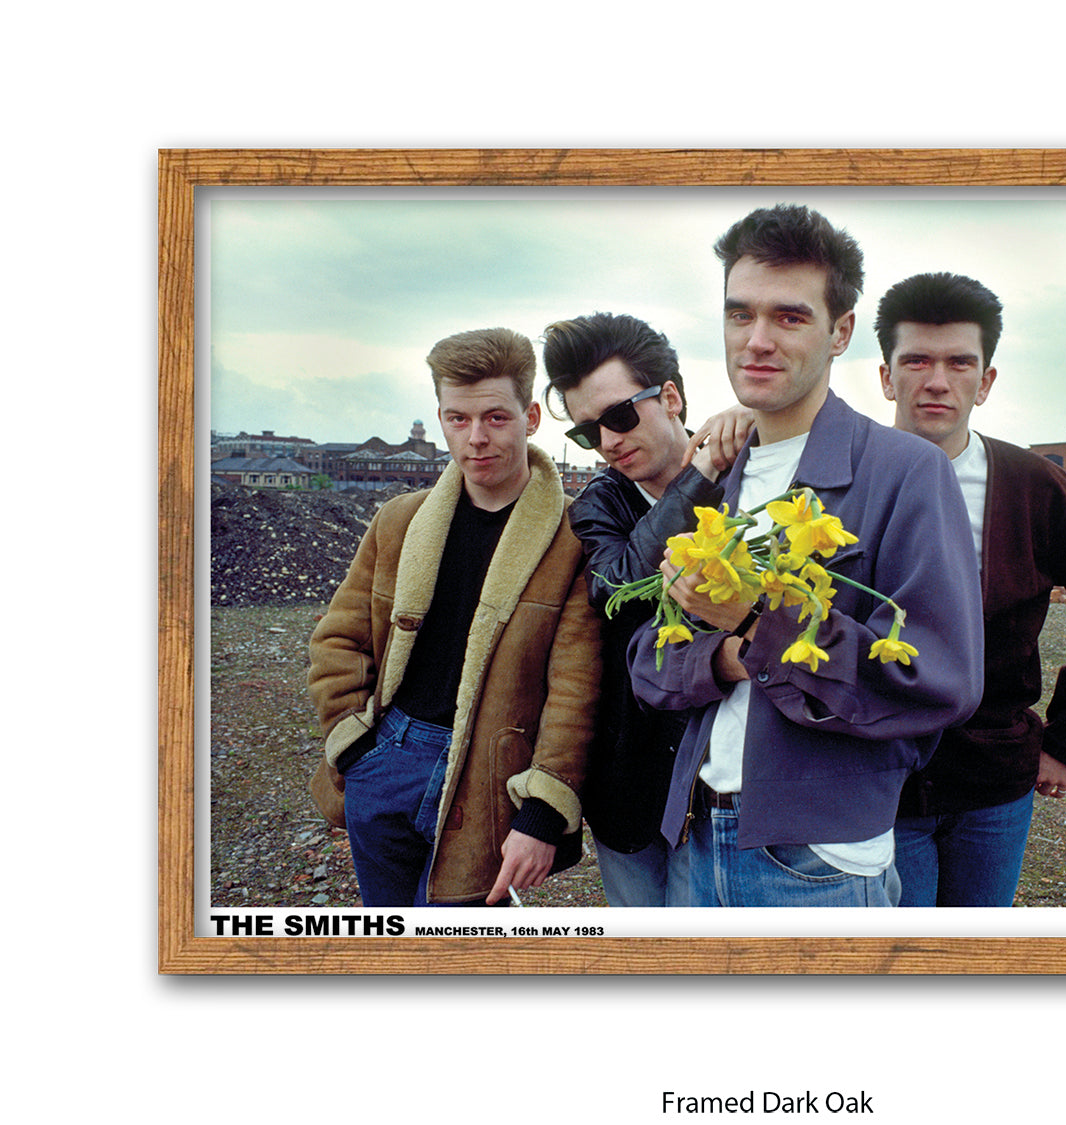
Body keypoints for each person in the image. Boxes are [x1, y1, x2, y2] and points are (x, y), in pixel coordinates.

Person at [627, 204, 985, 907]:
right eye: (739, 314)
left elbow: (943, 679)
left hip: (818, 858)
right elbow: (647, 660)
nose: (756, 340)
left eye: (789, 317)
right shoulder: (717, 478)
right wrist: (729, 656)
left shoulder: (906, 471)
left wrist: (756, 622)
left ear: (840, 332)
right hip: (696, 838)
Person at [874, 271, 1066, 907]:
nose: (937, 381)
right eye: (916, 360)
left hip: (994, 782)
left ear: (986, 381)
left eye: (959, 363)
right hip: (878, 782)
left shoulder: (1031, 484)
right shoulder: (848, 476)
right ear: (886, 376)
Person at [307, 327, 598, 907]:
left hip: (491, 775)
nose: (476, 438)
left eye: (495, 418)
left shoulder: (574, 537)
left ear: (531, 418)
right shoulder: (399, 521)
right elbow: (338, 638)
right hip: (385, 759)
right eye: (457, 419)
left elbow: (577, 687)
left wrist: (543, 811)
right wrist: (354, 744)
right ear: (439, 418)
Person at [542, 311, 750, 906]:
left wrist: (755, 422)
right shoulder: (599, 504)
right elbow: (621, 588)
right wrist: (701, 473)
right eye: (588, 432)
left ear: (672, 397)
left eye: (620, 416)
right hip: (633, 779)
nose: (608, 442)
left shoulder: (753, 469)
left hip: (729, 776)